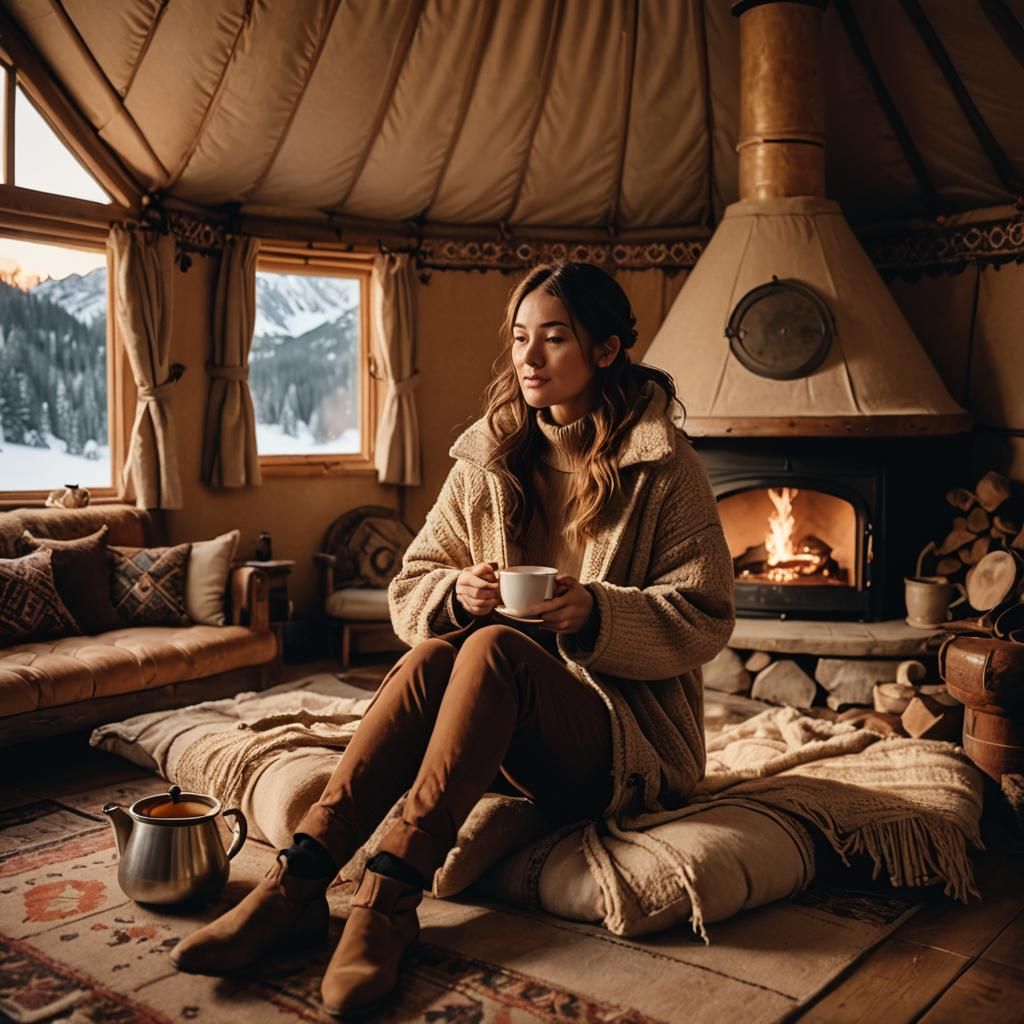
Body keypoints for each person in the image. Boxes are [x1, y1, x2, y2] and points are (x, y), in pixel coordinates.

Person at [171, 261, 735, 1017]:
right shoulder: (490, 459)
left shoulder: (664, 467)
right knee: (445, 647)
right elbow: (412, 585)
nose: (527, 359)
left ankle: (389, 897)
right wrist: (454, 592)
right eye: (519, 339)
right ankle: (298, 880)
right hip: (492, 734)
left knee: (494, 650)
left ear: (605, 351)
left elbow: (705, 614)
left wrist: (597, 614)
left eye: (553, 340)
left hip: (618, 745)